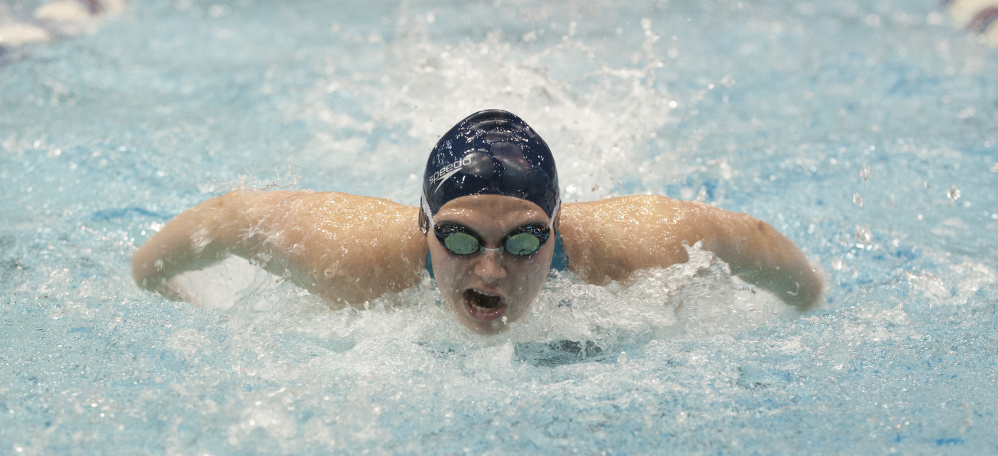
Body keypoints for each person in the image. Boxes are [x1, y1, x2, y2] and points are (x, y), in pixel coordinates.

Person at [133, 109, 823, 334]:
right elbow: (216, 224)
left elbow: (756, 245)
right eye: (458, 237)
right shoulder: (346, 255)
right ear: (422, 227)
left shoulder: (640, 248)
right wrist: (184, 307)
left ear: (559, 227)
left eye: (526, 240)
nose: (491, 270)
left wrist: (803, 315)